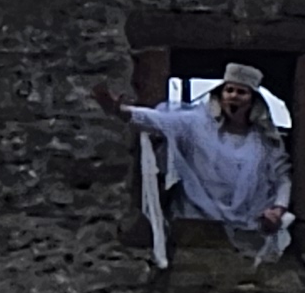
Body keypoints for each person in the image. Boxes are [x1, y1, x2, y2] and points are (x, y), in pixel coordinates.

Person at [93, 63, 291, 260]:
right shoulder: (196, 124)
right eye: (229, 90)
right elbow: (158, 120)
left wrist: (278, 209)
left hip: (248, 224)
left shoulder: (265, 140)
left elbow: (282, 176)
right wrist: (120, 111)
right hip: (197, 219)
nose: (233, 96)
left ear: (252, 100)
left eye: (241, 92)